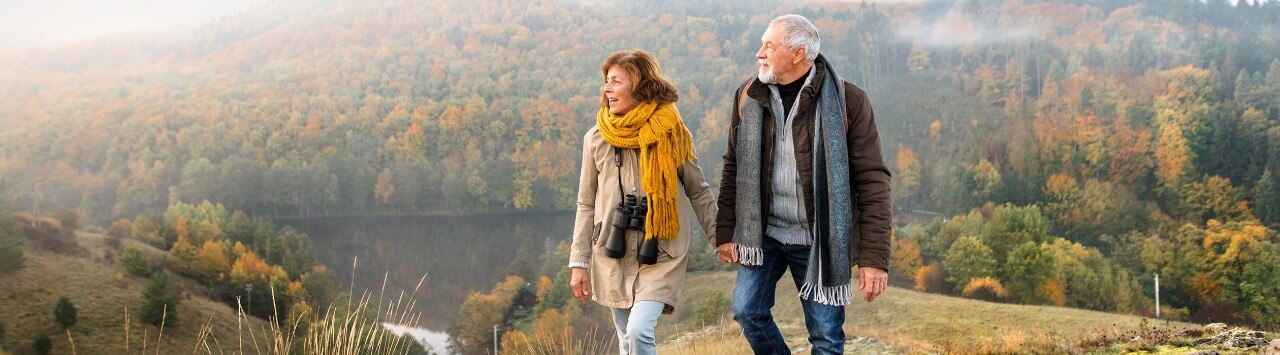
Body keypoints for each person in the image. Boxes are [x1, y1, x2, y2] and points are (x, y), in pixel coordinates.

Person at [714, 14, 893, 355]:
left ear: (797, 54)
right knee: (747, 312)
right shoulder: (747, 96)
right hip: (763, 233)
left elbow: (873, 181)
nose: (759, 53)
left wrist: (874, 259)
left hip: (819, 238)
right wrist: (726, 232)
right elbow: (733, 166)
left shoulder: (848, 101)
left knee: (825, 336)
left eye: (769, 45)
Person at [567, 50, 718, 355]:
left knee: (638, 332)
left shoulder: (672, 133)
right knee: (625, 337)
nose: (606, 89)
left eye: (616, 81)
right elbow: (586, 203)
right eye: (605, 82)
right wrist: (579, 261)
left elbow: (698, 191)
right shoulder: (596, 138)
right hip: (612, 251)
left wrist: (721, 238)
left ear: (639, 85)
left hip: (660, 251)